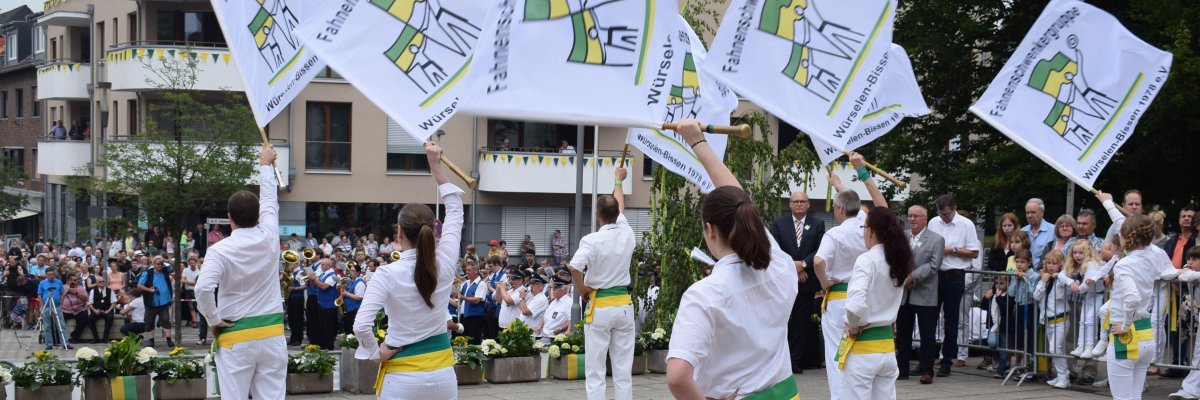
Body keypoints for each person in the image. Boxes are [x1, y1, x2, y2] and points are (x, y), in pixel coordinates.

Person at [666, 120, 799, 399]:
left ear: (710, 230)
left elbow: (678, 377)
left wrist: (696, 142)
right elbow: (739, 199)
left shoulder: (704, 294)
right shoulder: (780, 264)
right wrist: (698, 142)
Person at [353, 141, 463, 399]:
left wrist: (374, 354)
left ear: (399, 233)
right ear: (433, 231)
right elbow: (456, 209)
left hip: (402, 377)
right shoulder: (445, 261)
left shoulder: (386, 273)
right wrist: (435, 165)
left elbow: (361, 326)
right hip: (444, 375)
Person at [194, 147, 287, 399]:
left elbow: (202, 289)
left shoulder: (219, 250)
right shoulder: (269, 235)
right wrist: (265, 165)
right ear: (258, 216)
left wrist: (212, 320)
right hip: (271, 333)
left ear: (228, 217)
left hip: (235, 334)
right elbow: (269, 198)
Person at [812, 153, 888, 398]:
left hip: (839, 298)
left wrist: (825, 282)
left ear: (839, 209)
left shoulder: (834, 234)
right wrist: (843, 183)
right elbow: (870, 205)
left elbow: (818, 261)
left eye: (835, 208)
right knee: (862, 355)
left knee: (838, 355)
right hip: (868, 296)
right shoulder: (867, 223)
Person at [570, 164, 637, 400]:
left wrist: (582, 290)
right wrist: (618, 181)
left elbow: (574, 267)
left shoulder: (591, 240)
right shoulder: (627, 233)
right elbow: (619, 207)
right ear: (617, 215)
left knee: (595, 370)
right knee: (622, 370)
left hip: (599, 307)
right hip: (623, 306)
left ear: (597, 214)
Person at [837, 206, 913, 399]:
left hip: (863, 346)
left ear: (869, 231)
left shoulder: (867, 260)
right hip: (886, 347)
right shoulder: (898, 260)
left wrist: (853, 327)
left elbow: (855, 306)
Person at [768, 191, 826, 373]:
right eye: (796, 201)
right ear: (790, 204)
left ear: (808, 204)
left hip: (807, 282)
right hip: (784, 281)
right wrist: (793, 267)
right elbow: (774, 250)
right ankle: (777, 362)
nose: (799, 204)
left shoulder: (818, 224)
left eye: (803, 201)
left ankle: (794, 362)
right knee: (781, 322)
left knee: (801, 324)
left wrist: (803, 265)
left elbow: (820, 249)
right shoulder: (779, 223)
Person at [1106, 214, 1160, 399]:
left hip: (1126, 336)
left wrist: (1125, 325)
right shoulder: (1153, 256)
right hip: (1146, 334)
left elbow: (1132, 298)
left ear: (1126, 237)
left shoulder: (1123, 264)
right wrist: (1108, 203)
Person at [926, 194, 981, 376]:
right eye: (941, 214)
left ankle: (947, 361)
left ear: (954, 209)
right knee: (930, 318)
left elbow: (974, 252)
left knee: (951, 321)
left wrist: (953, 250)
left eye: (947, 214)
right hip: (935, 275)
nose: (944, 217)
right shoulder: (934, 222)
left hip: (954, 275)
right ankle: (928, 359)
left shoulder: (966, 225)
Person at [896, 205, 944, 383]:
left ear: (925, 218)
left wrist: (912, 277)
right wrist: (902, 275)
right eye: (910, 216)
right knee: (903, 334)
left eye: (916, 216)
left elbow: (934, 265)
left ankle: (926, 370)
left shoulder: (936, 239)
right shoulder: (903, 236)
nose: (913, 219)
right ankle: (902, 369)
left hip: (925, 293)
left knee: (927, 335)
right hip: (904, 294)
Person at [1035, 251, 1072, 389]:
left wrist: (1060, 277)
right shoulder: (1044, 279)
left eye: (1054, 263)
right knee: (1057, 349)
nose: (1051, 266)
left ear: (1061, 264)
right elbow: (1036, 296)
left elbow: (1060, 296)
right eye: (1049, 263)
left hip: (1061, 319)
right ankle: (1062, 376)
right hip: (1048, 320)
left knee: (1054, 348)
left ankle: (1063, 376)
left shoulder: (1062, 279)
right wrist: (1043, 282)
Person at [1169, 247, 1200, 400]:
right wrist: (1181, 272)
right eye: (1189, 259)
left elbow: (1186, 277)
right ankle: (1190, 389)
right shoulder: (1192, 274)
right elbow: (1168, 274)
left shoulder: (1193, 275)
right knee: (1198, 354)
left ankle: (1191, 389)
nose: (1190, 262)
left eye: (1195, 259)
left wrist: (1183, 273)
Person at [136, 256, 175, 348]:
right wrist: (149, 290)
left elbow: (171, 266)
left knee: (165, 320)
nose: (160, 265)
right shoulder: (147, 273)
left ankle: (169, 340)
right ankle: (151, 341)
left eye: (161, 264)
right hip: (151, 302)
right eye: (158, 264)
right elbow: (139, 285)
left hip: (164, 302)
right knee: (149, 321)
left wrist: (163, 261)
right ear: (153, 264)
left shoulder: (165, 270)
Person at [308, 258, 340, 349]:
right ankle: (322, 344)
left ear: (328, 265)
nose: (321, 266)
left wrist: (315, 280)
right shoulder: (323, 274)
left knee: (328, 326)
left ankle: (329, 345)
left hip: (329, 304)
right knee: (322, 325)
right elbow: (315, 286)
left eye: (322, 264)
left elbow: (324, 286)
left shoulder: (333, 275)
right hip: (322, 303)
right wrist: (312, 280)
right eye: (321, 264)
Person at [455, 262, 487, 344]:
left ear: (476, 271)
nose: (467, 272)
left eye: (469, 270)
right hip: (465, 316)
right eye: (466, 270)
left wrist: (462, 297)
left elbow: (476, 300)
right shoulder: (466, 283)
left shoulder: (481, 284)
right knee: (466, 340)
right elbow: (457, 295)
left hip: (475, 317)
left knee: (474, 340)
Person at [38, 268, 69, 350]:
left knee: (61, 325)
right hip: (47, 306)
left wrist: (61, 304)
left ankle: (65, 342)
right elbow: (39, 295)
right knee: (47, 325)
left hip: (57, 306)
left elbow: (62, 293)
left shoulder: (58, 282)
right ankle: (49, 344)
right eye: (49, 274)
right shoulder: (42, 283)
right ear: (46, 275)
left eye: (52, 274)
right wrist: (42, 305)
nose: (51, 276)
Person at [536, 277, 572, 341]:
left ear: (564, 290)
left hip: (556, 337)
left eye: (556, 287)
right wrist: (540, 326)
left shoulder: (569, 302)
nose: (553, 289)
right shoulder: (554, 301)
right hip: (545, 334)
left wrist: (561, 328)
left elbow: (571, 320)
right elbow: (545, 316)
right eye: (553, 287)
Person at [86, 277, 117, 344]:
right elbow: (90, 303)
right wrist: (94, 310)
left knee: (110, 318)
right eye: (100, 281)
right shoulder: (93, 291)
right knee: (90, 318)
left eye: (103, 281)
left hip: (107, 310)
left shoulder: (110, 290)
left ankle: (105, 338)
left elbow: (113, 302)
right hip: (96, 310)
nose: (102, 283)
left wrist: (109, 310)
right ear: (97, 283)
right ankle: (95, 338)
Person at [61, 274, 90, 343]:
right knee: (59, 319)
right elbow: (59, 299)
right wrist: (67, 292)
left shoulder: (80, 288)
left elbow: (86, 298)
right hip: (65, 309)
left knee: (85, 316)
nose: (75, 281)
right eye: (73, 280)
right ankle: (59, 338)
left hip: (78, 309)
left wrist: (76, 293)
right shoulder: (62, 287)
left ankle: (75, 335)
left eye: (76, 280)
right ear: (68, 280)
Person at [286, 255, 308, 346]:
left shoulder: (300, 273)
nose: (290, 264)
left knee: (298, 318)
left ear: (296, 263)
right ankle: (293, 337)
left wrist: (294, 289)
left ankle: (298, 338)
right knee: (291, 319)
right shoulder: (290, 272)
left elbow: (304, 285)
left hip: (297, 298)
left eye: (291, 262)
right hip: (291, 298)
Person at [339, 265, 365, 334]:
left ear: (358, 272)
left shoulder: (360, 283)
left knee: (352, 329)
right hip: (349, 309)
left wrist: (346, 294)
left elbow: (359, 297)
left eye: (353, 271)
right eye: (350, 270)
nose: (351, 272)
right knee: (347, 328)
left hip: (355, 310)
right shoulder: (351, 282)